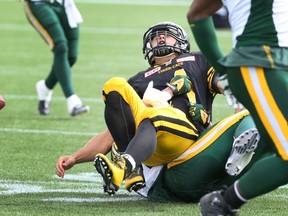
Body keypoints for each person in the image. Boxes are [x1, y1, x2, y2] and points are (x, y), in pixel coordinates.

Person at [187, 0, 288, 215]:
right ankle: (223, 202)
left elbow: (197, 13)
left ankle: (220, 190)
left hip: (272, 61)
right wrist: (223, 71)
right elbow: (198, 14)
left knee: (272, 143)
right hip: (262, 61)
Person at [23, 0, 90, 116]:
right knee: (60, 46)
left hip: (63, 3)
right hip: (38, 3)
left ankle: (45, 87)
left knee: (71, 57)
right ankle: (72, 101)